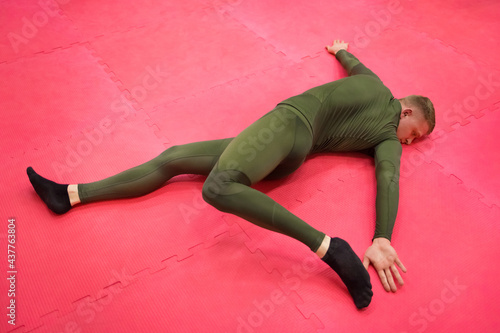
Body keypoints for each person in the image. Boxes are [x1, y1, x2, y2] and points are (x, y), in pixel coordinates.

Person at [27, 40, 435, 309]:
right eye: (413, 134)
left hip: (286, 125)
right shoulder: (377, 95)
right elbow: (356, 66)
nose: (407, 144)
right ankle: (71, 194)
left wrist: (383, 235)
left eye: (413, 141)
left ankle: (329, 248)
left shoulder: (383, 123)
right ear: (406, 110)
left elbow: (388, 177)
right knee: (173, 158)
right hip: (288, 151)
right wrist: (343, 52)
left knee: (218, 187)